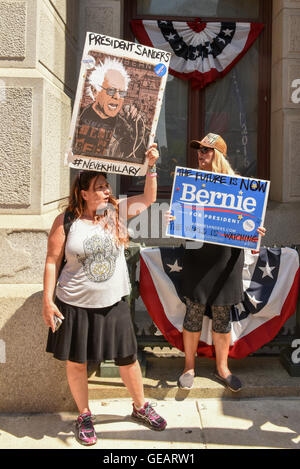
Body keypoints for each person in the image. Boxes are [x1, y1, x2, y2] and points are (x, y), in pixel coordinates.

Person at [42, 143, 166, 446]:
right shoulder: (66, 221)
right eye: (98, 187)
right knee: (77, 362)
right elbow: (51, 261)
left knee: (127, 358)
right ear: (83, 193)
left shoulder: (115, 213)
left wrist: (151, 165)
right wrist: (47, 301)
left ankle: (140, 406)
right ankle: (84, 415)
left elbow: (149, 198)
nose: (105, 191)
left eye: (106, 186)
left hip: (113, 303)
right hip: (73, 304)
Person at [171, 133, 266, 392]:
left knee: (223, 316)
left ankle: (222, 367)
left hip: (226, 258)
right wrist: (175, 216)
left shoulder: (239, 186)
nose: (201, 154)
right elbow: (182, 224)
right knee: (193, 313)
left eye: (207, 150)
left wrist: (253, 231)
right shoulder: (190, 183)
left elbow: (247, 225)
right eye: (199, 150)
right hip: (197, 255)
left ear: (220, 155)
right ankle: (188, 367)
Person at [73, 57, 148, 163]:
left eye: (122, 93)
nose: (117, 97)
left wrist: (137, 132)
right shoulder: (76, 119)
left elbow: (135, 160)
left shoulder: (126, 130)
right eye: (111, 90)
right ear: (95, 91)